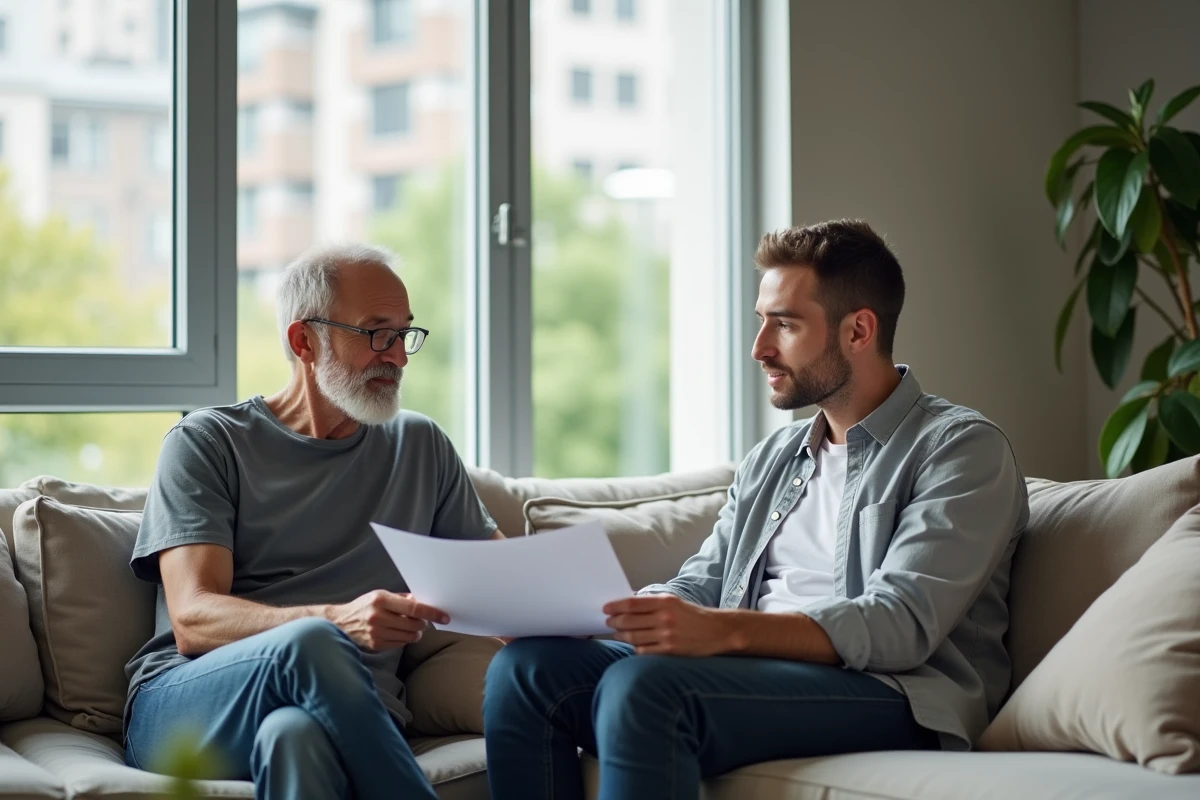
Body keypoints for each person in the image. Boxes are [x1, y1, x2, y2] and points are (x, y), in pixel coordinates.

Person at [483, 220, 1029, 800]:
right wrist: (631, 613)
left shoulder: (960, 448)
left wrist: (720, 632)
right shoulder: (775, 456)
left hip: (895, 692)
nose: (760, 346)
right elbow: (707, 579)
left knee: (648, 687)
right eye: (761, 319)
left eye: (786, 324)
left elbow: (902, 625)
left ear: (859, 330)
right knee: (527, 671)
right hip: (759, 675)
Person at [123, 243, 502, 800]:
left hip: (351, 715)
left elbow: (502, 585)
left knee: (294, 736)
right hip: (190, 706)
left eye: (404, 334)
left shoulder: (420, 446)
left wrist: (611, 618)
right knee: (315, 642)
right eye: (376, 333)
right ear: (305, 341)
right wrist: (336, 620)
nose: (397, 357)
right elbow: (193, 620)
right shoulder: (209, 442)